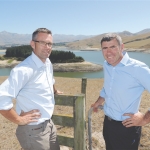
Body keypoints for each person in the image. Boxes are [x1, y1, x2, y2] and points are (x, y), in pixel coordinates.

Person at [0, 28, 62, 150]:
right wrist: (19, 119)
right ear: (33, 44)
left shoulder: (47, 62)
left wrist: (54, 90)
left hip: (48, 124)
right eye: (43, 43)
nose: (47, 47)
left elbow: (49, 78)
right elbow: (1, 98)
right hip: (33, 130)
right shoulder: (23, 70)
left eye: (49, 43)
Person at [91, 33, 150, 150]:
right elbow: (107, 87)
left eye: (113, 47)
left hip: (127, 128)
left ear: (121, 47)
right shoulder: (106, 65)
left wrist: (145, 119)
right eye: (105, 48)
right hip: (108, 124)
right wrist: (99, 101)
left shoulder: (138, 68)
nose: (108, 52)